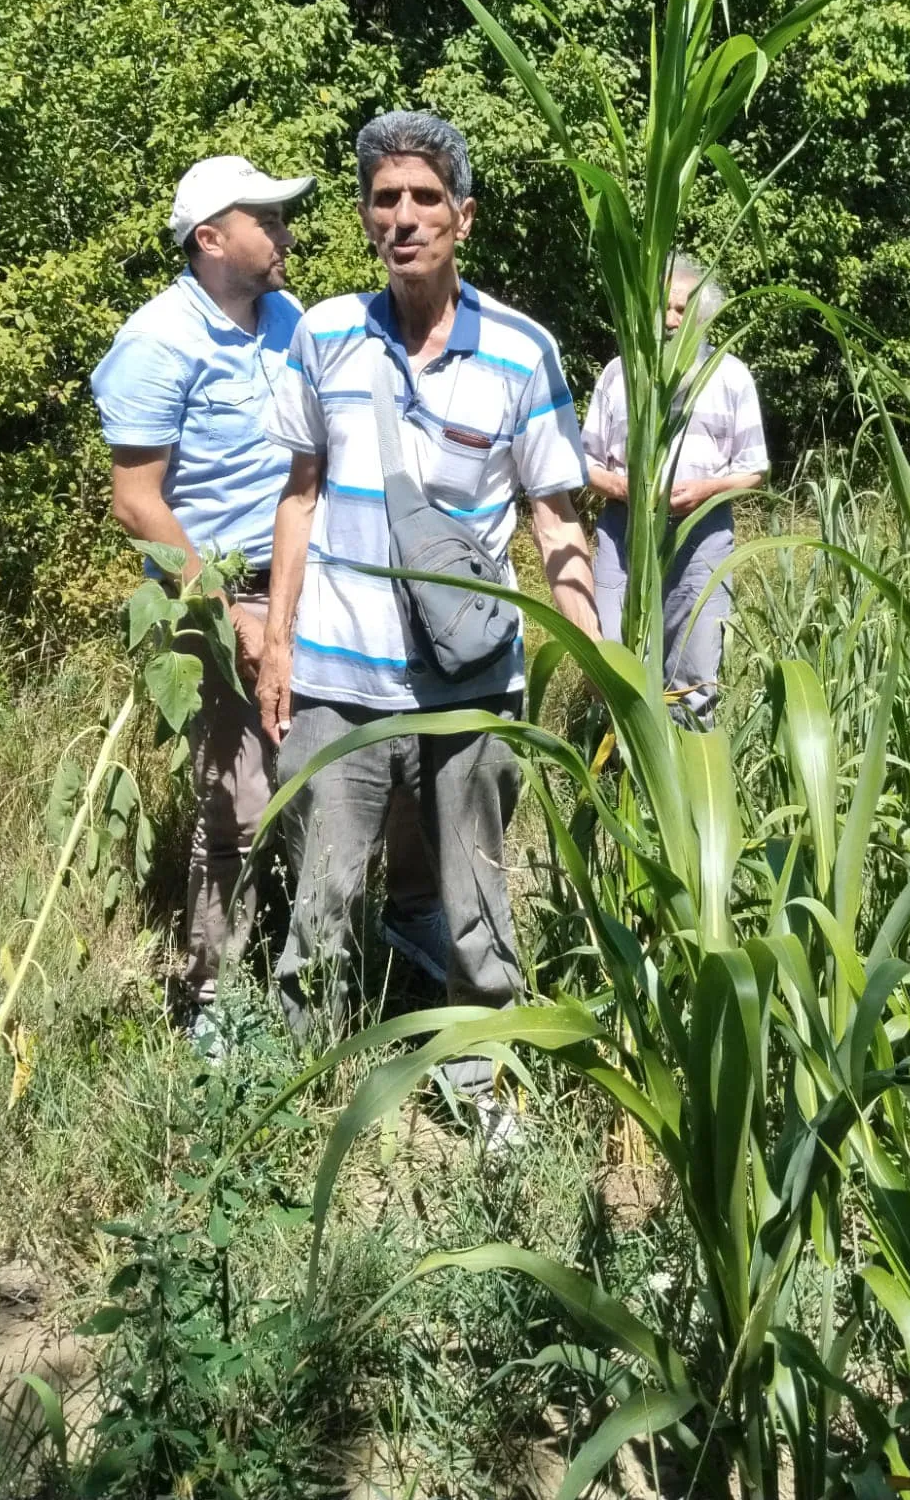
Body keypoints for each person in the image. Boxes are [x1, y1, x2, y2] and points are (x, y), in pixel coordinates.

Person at [256, 110, 598, 1104]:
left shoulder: (521, 351)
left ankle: (478, 1074)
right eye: (384, 199)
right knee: (319, 896)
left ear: (464, 216)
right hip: (336, 671)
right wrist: (276, 644)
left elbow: (552, 512)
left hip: (470, 683)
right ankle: (289, 1087)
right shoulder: (323, 334)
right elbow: (299, 492)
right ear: (366, 217)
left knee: (479, 895)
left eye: (425, 198)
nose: (404, 217)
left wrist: (596, 645)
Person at [90, 154, 317, 1034]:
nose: (287, 233)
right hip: (216, 595)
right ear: (212, 238)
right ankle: (210, 995)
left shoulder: (287, 318)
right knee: (237, 797)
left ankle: (319, 958)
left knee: (324, 773)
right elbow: (137, 502)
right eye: (269, 218)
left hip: (300, 582)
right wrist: (231, 616)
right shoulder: (157, 340)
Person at [582, 257, 768, 725]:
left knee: (693, 663)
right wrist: (620, 485)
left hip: (701, 536)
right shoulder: (617, 374)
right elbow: (582, 462)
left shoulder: (730, 376)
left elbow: (754, 469)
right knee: (610, 655)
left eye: (682, 310)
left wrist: (706, 489)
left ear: (702, 316)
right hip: (623, 534)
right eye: (662, 308)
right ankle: (616, 767)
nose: (669, 321)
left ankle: (689, 772)